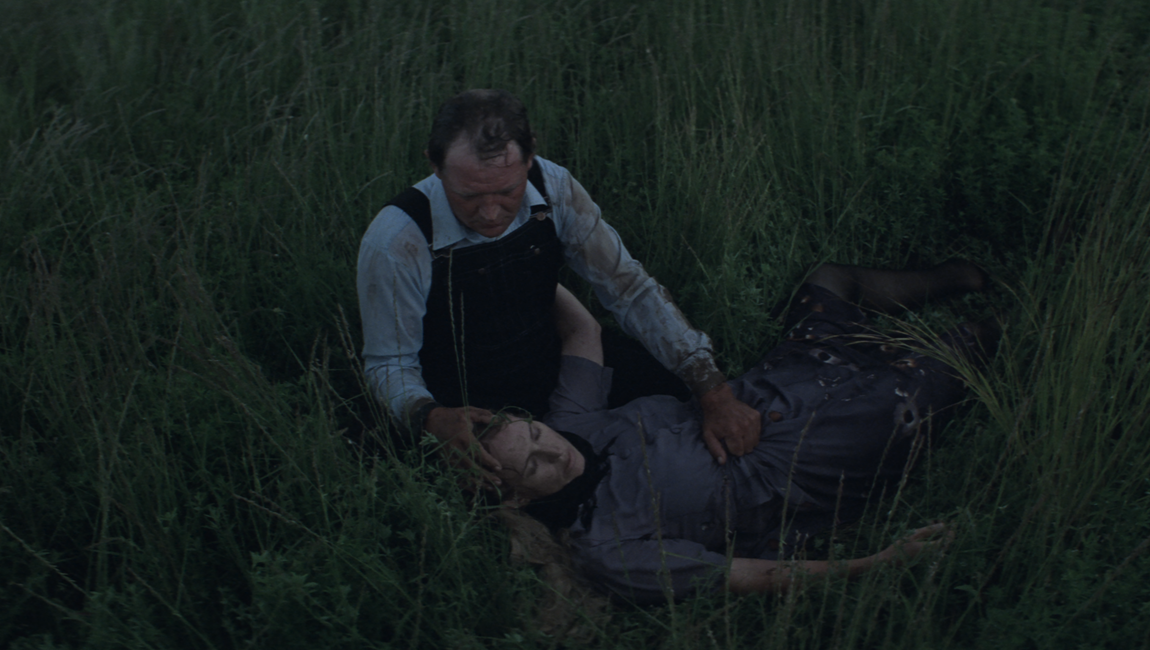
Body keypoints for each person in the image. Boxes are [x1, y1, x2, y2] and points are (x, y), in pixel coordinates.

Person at [478, 260, 991, 603]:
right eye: (533, 467)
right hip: (806, 461)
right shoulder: (603, 549)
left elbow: (582, 330)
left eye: (538, 437)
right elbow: (745, 574)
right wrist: (880, 560)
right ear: (518, 499)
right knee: (933, 367)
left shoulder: (573, 425)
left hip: (768, 390)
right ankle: (1018, 314)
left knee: (830, 281)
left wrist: (521, 266)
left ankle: (963, 277)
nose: (554, 455)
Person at [357, 89, 759, 477]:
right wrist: (430, 417)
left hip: (550, 360)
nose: (492, 213)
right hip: (468, 404)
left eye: (508, 190)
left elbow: (629, 289)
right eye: (469, 197)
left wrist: (711, 388)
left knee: (690, 400)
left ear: (530, 156)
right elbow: (389, 362)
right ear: (434, 165)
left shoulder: (556, 187)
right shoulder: (396, 240)